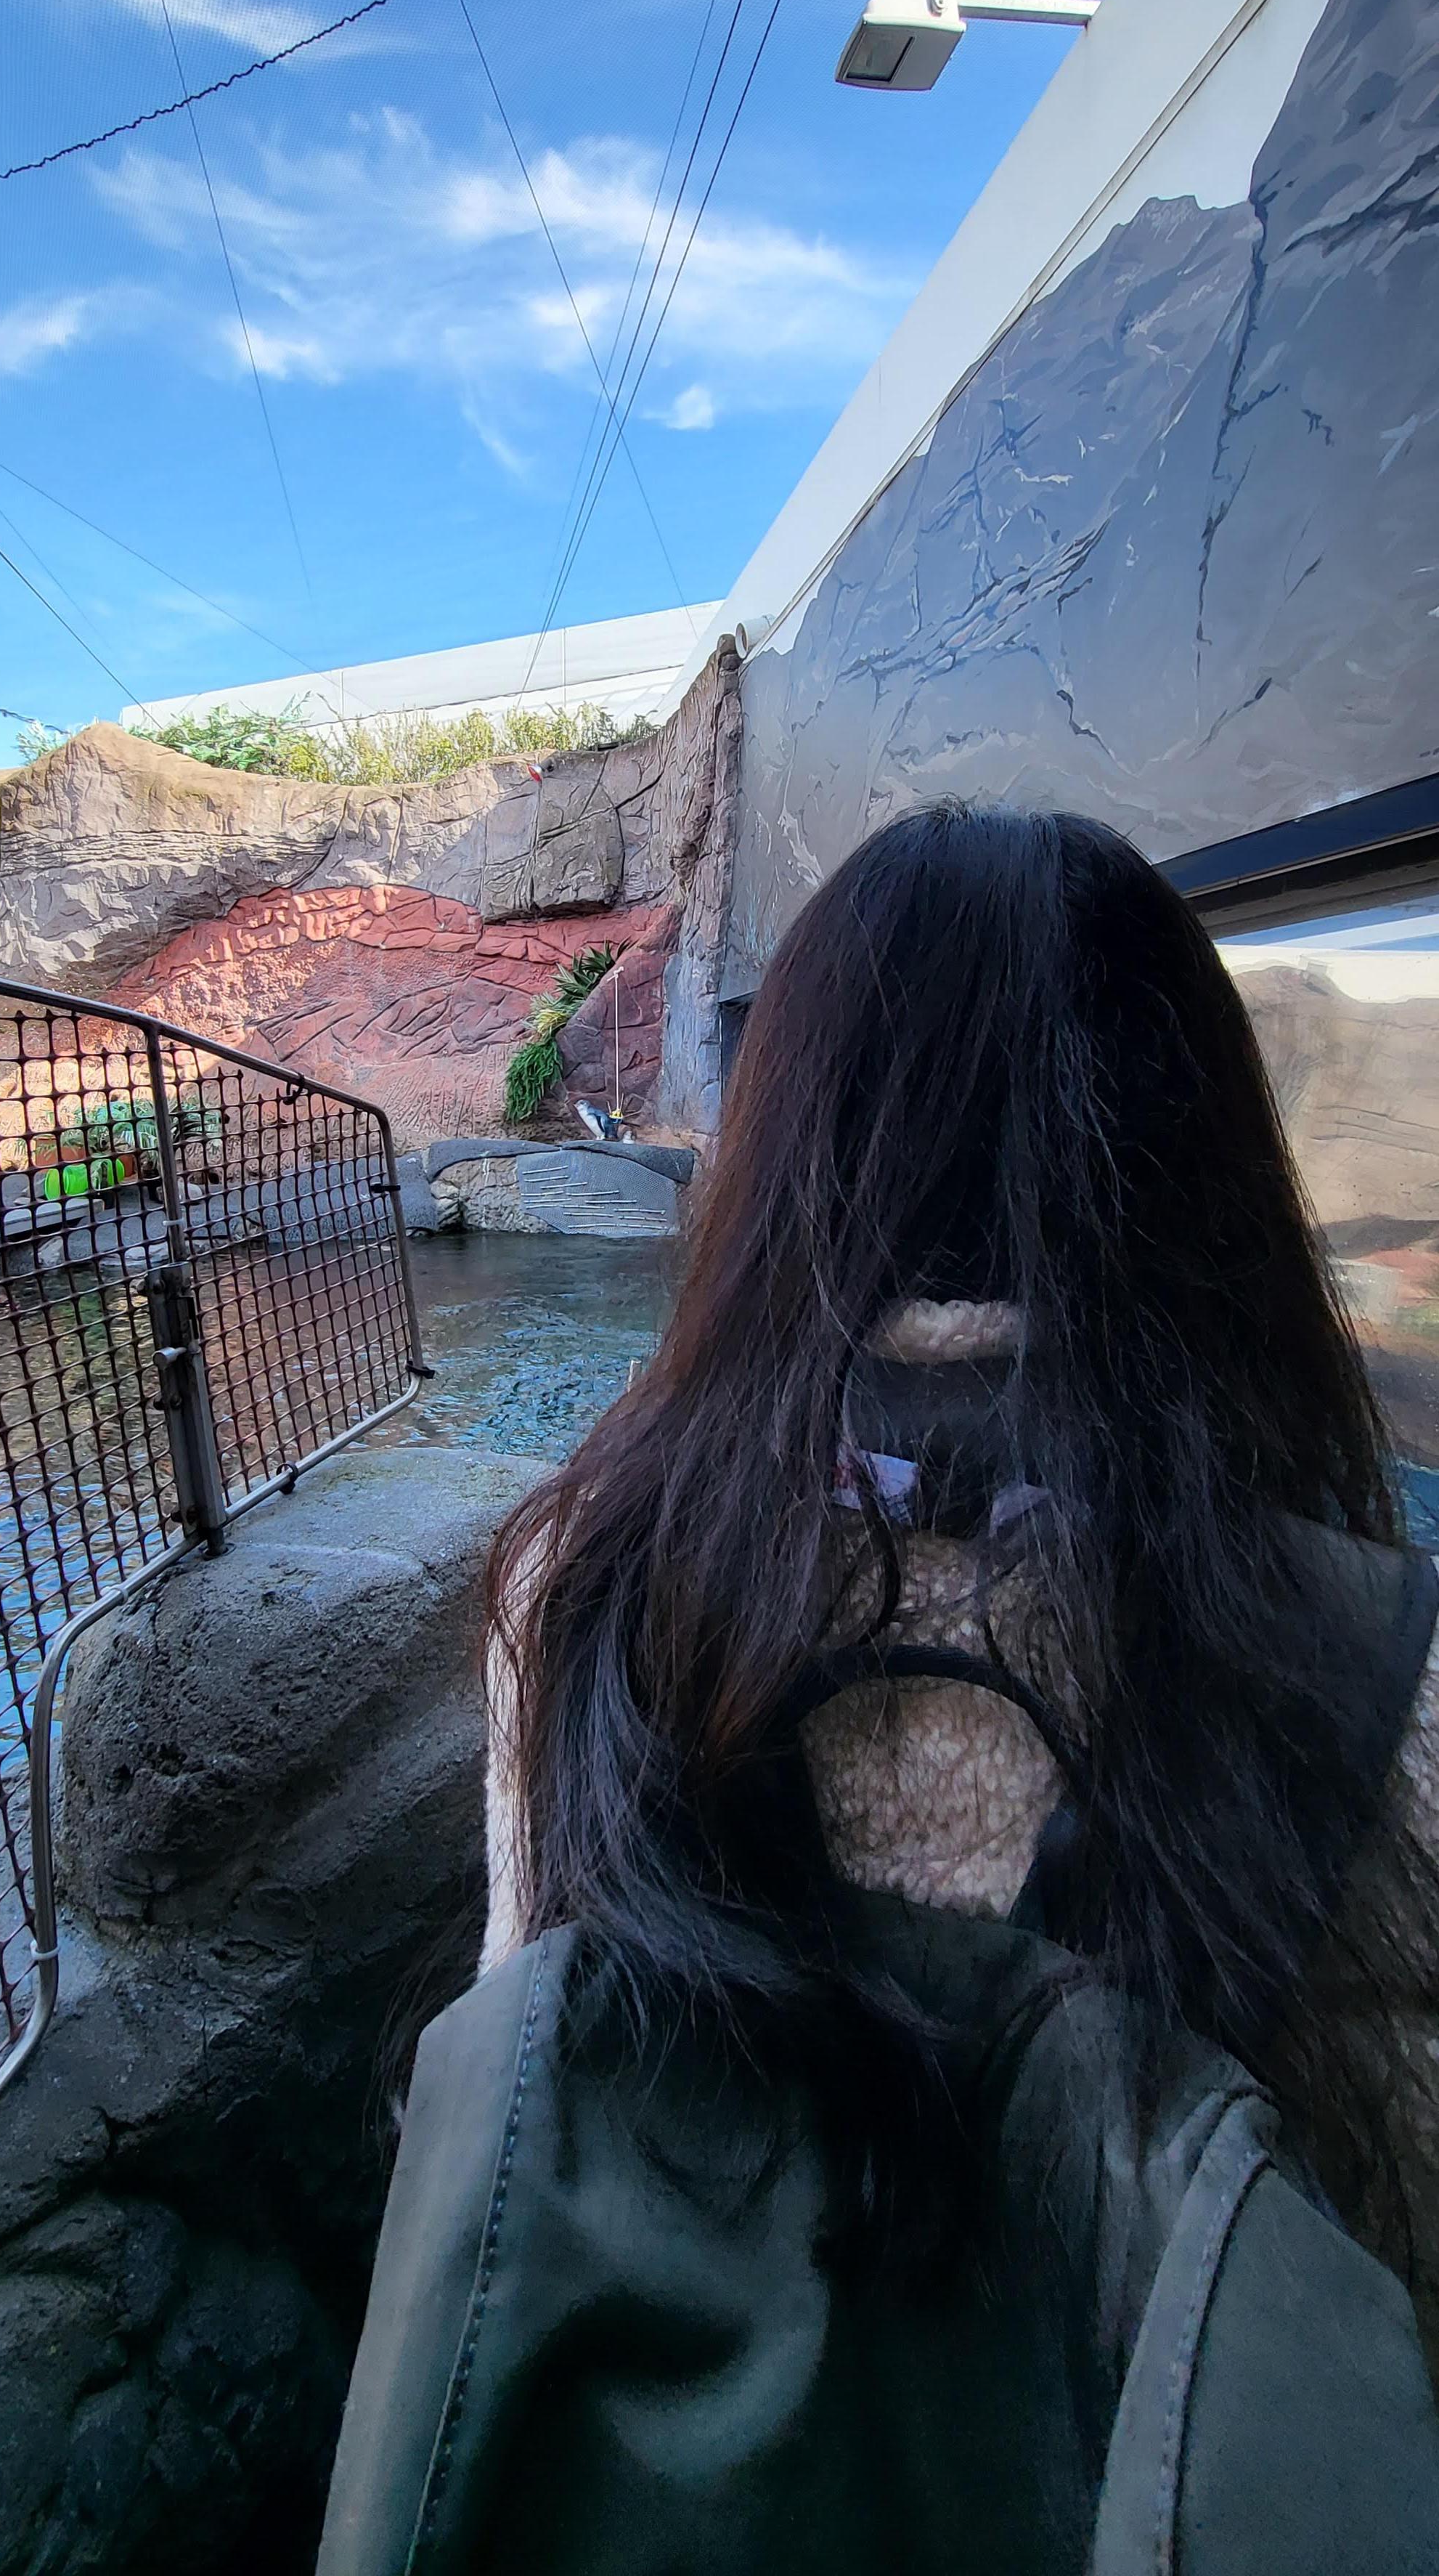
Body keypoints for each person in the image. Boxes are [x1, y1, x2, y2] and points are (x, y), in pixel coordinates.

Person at [318, 803, 1439, 2575]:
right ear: (1205, 1152)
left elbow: (521, 2058)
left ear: (790, 1137)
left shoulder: (586, 1577)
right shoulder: (1363, 1653)